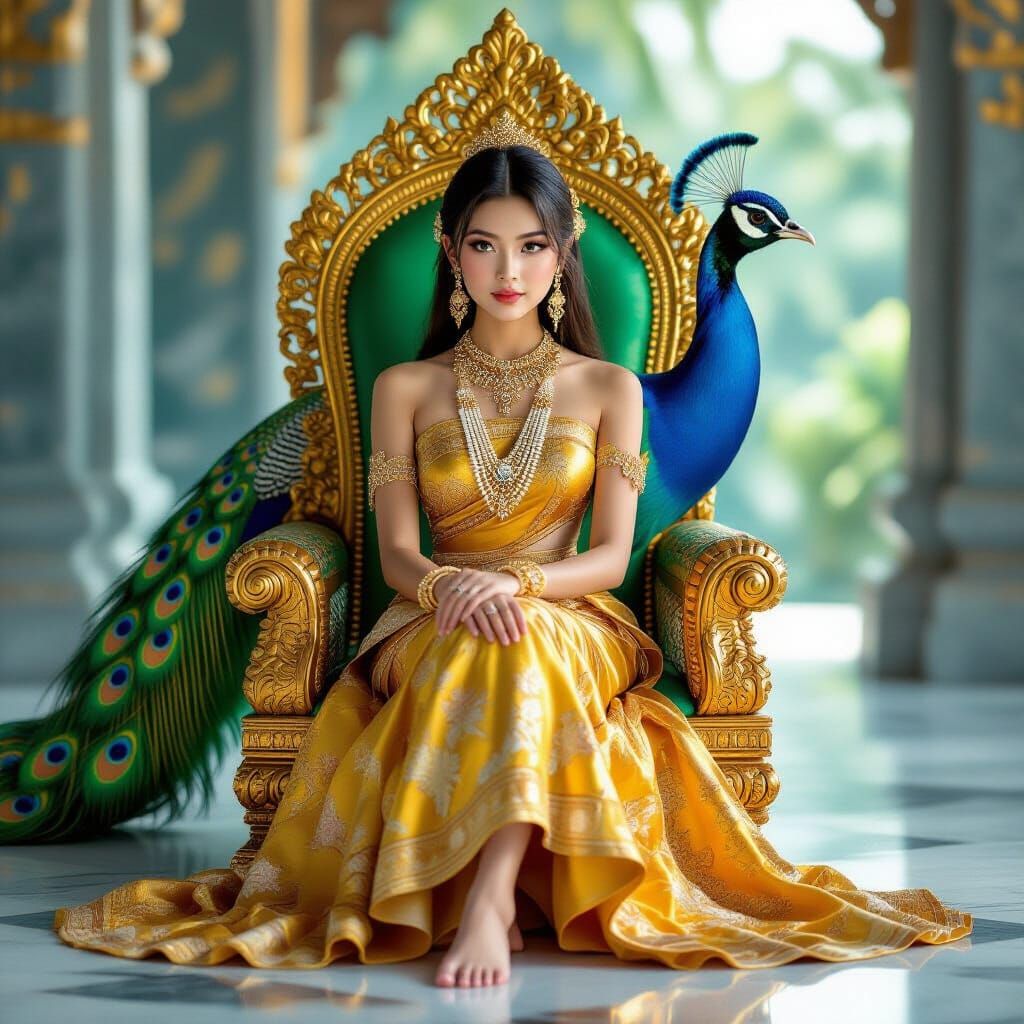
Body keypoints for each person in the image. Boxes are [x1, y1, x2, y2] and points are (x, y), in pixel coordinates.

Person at [53, 121, 972, 988]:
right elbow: (402, 552)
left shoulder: (607, 388)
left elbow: (611, 557)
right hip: (430, 614)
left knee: (522, 633)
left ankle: (491, 897)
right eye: (486, 245)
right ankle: (492, 890)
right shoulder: (406, 388)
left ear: (561, 254)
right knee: (488, 635)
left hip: (573, 609)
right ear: (453, 254)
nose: (509, 269)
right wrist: (455, 584)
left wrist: (521, 582)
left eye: (532, 246)